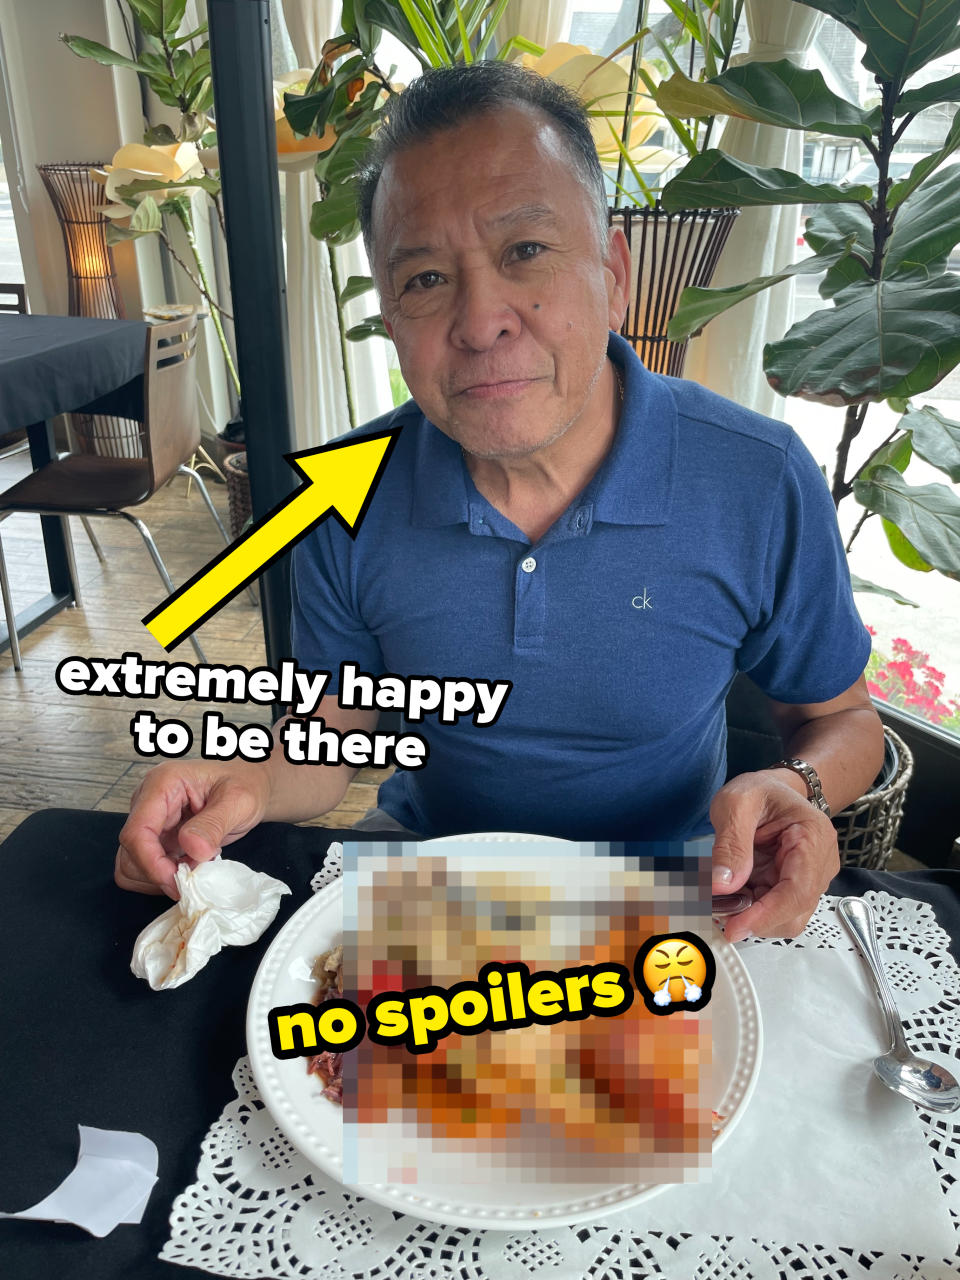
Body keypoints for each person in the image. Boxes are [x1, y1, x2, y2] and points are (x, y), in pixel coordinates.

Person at [116, 62, 885, 943]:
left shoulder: (757, 476)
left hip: (679, 886)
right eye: (426, 279)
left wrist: (801, 788)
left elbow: (839, 716)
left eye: (525, 251)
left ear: (614, 271)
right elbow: (336, 725)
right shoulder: (345, 490)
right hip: (432, 872)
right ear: (393, 318)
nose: (481, 322)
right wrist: (240, 778)